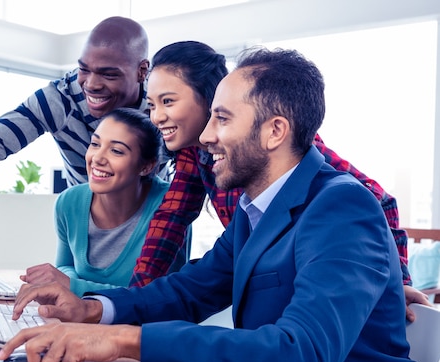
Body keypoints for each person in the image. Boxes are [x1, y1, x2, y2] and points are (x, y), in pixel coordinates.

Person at [0, 46, 422, 362]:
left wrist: (124, 341)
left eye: (221, 119)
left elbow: (299, 358)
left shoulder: (341, 207)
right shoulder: (255, 211)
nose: (205, 136)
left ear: (275, 131)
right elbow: (188, 291)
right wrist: (92, 311)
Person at [135, 40, 429, 319]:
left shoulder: (288, 150)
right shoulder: (195, 157)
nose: (157, 116)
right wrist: (131, 297)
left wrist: (397, 280)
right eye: (151, 105)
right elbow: (169, 222)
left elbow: (375, 199)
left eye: (168, 101)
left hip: (305, 283)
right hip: (264, 286)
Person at [0, 16, 151, 209]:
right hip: (90, 226)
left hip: (159, 225)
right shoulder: (60, 100)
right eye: (84, 69)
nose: (91, 84)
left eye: (109, 74)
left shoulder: (162, 104)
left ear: (142, 71)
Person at [22, 107, 185, 296]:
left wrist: (72, 285)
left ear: (146, 166)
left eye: (116, 151)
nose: (97, 158)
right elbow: (66, 265)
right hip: (82, 320)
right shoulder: (69, 202)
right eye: (95, 144)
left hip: (141, 325)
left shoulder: (171, 205)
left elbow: (160, 298)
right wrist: (60, 279)